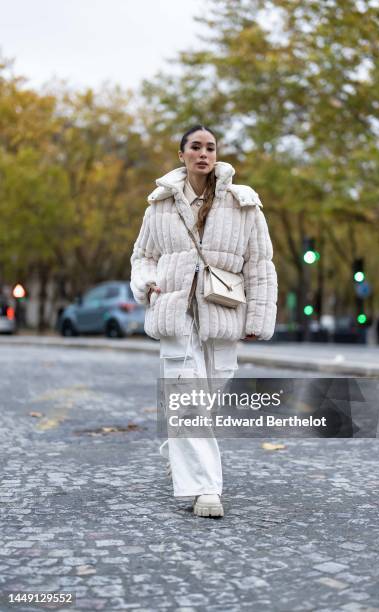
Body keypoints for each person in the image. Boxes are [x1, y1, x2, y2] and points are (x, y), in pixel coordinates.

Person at [130, 125, 278, 518]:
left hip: (224, 313)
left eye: (210, 147)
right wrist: (148, 283)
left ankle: (178, 452)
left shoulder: (243, 203)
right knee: (188, 400)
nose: (203, 153)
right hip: (174, 313)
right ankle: (205, 489)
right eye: (195, 147)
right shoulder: (158, 206)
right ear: (182, 155)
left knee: (205, 401)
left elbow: (261, 267)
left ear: (217, 155)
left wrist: (259, 319)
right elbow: (142, 256)